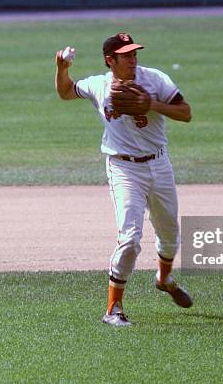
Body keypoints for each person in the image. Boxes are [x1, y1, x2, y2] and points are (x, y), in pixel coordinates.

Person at [55, 32, 193, 327]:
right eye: (126, 55)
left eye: (134, 54)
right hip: (124, 169)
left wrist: (152, 104)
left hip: (159, 163)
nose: (133, 59)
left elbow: (186, 112)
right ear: (110, 60)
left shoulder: (155, 79)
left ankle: (164, 278)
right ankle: (113, 309)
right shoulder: (98, 85)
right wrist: (61, 69)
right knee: (129, 238)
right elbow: (66, 92)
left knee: (170, 235)